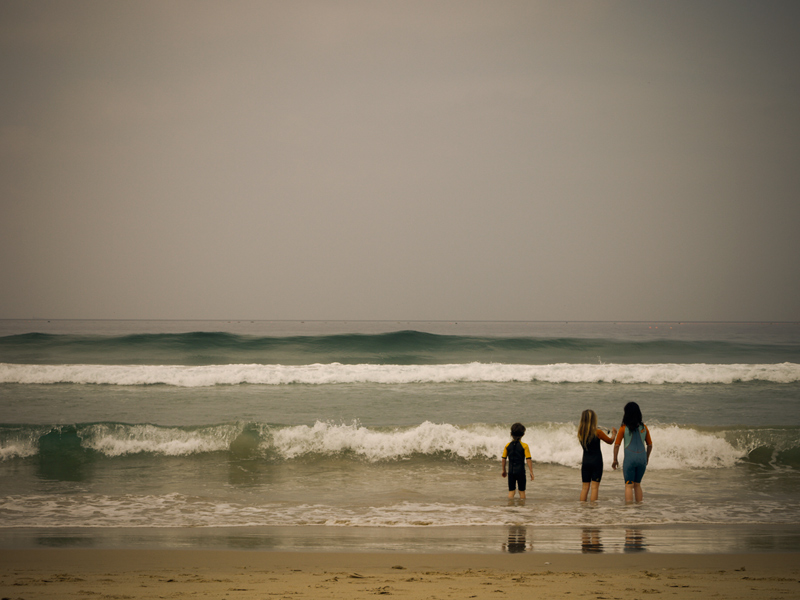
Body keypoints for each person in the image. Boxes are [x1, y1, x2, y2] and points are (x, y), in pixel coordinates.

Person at [612, 402, 653, 503]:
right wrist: (647, 457)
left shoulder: (623, 428)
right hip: (642, 459)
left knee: (629, 485)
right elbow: (650, 445)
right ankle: (639, 509)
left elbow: (617, 445)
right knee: (637, 484)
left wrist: (615, 459)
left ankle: (629, 512)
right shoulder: (644, 428)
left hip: (630, 460)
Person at [577, 409, 616, 501]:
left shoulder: (580, 433)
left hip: (585, 462)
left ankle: (582, 510)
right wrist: (614, 434)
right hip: (596, 462)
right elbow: (610, 441)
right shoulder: (598, 432)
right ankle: (593, 512)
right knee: (594, 487)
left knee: (584, 488)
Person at [501, 422, 534, 500]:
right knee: (521, 491)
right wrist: (531, 472)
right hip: (520, 472)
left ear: (511, 434)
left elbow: (503, 459)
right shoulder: (525, 446)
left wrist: (503, 470)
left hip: (511, 472)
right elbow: (528, 459)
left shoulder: (507, 446)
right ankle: (522, 509)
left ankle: (510, 507)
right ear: (523, 434)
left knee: (511, 491)